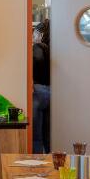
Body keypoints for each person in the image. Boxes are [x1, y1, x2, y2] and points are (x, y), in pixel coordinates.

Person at [32, 20, 50, 154]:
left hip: (38, 92)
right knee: (49, 135)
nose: (33, 38)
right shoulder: (56, 48)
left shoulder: (38, 47)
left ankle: (36, 161)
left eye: (34, 34)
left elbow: (37, 59)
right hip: (53, 92)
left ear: (41, 34)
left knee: (36, 137)